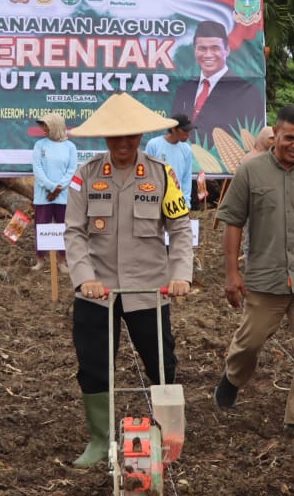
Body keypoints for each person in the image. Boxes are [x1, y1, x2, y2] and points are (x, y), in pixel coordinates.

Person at [65, 94, 194, 466]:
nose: (123, 145)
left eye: (130, 137)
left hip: (149, 287)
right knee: (91, 364)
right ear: (105, 138)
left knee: (161, 362)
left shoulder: (161, 173)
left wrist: (180, 275)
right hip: (97, 290)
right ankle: (99, 438)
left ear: (140, 135)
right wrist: (85, 278)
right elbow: (74, 231)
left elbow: (180, 228)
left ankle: (168, 433)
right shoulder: (85, 175)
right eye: (114, 138)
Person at [213, 105, 294, 442]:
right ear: (276, 135)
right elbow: (233, 223)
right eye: (290, 138)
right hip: (265, 278)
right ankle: (232, 378)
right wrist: (232, 273)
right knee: (249, 343)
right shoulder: (250, 172)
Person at [171, 20, 264, 144]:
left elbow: (251, 137)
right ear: (195, 51)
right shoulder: (184, 89)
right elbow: (173, 130)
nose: (208, 55)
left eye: (215, 48)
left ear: (227, 50)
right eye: (202, 49)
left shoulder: (247, 92)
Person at [32, 112, 80, 271]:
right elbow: (37, 169)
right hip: (43, 195)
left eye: (46, 125)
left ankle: (62, 261)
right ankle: (40, 260)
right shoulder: (40, 145)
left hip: (64, 196)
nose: (43, 128)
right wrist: (52, 188)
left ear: (56, 126)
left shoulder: (70, 147)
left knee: (63, 227)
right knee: (41, 226)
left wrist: (59, 188)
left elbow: (72, 170)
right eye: (42, 125)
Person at [143, 114, 196, 202]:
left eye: (189, 130)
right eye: (185, 130)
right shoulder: (153, 145)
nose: (188, 133)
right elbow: (147, 173)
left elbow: (186, 177)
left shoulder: (187, 149)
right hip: (155, 198)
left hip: (176, 201)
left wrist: (186, 202)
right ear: (173, 129)